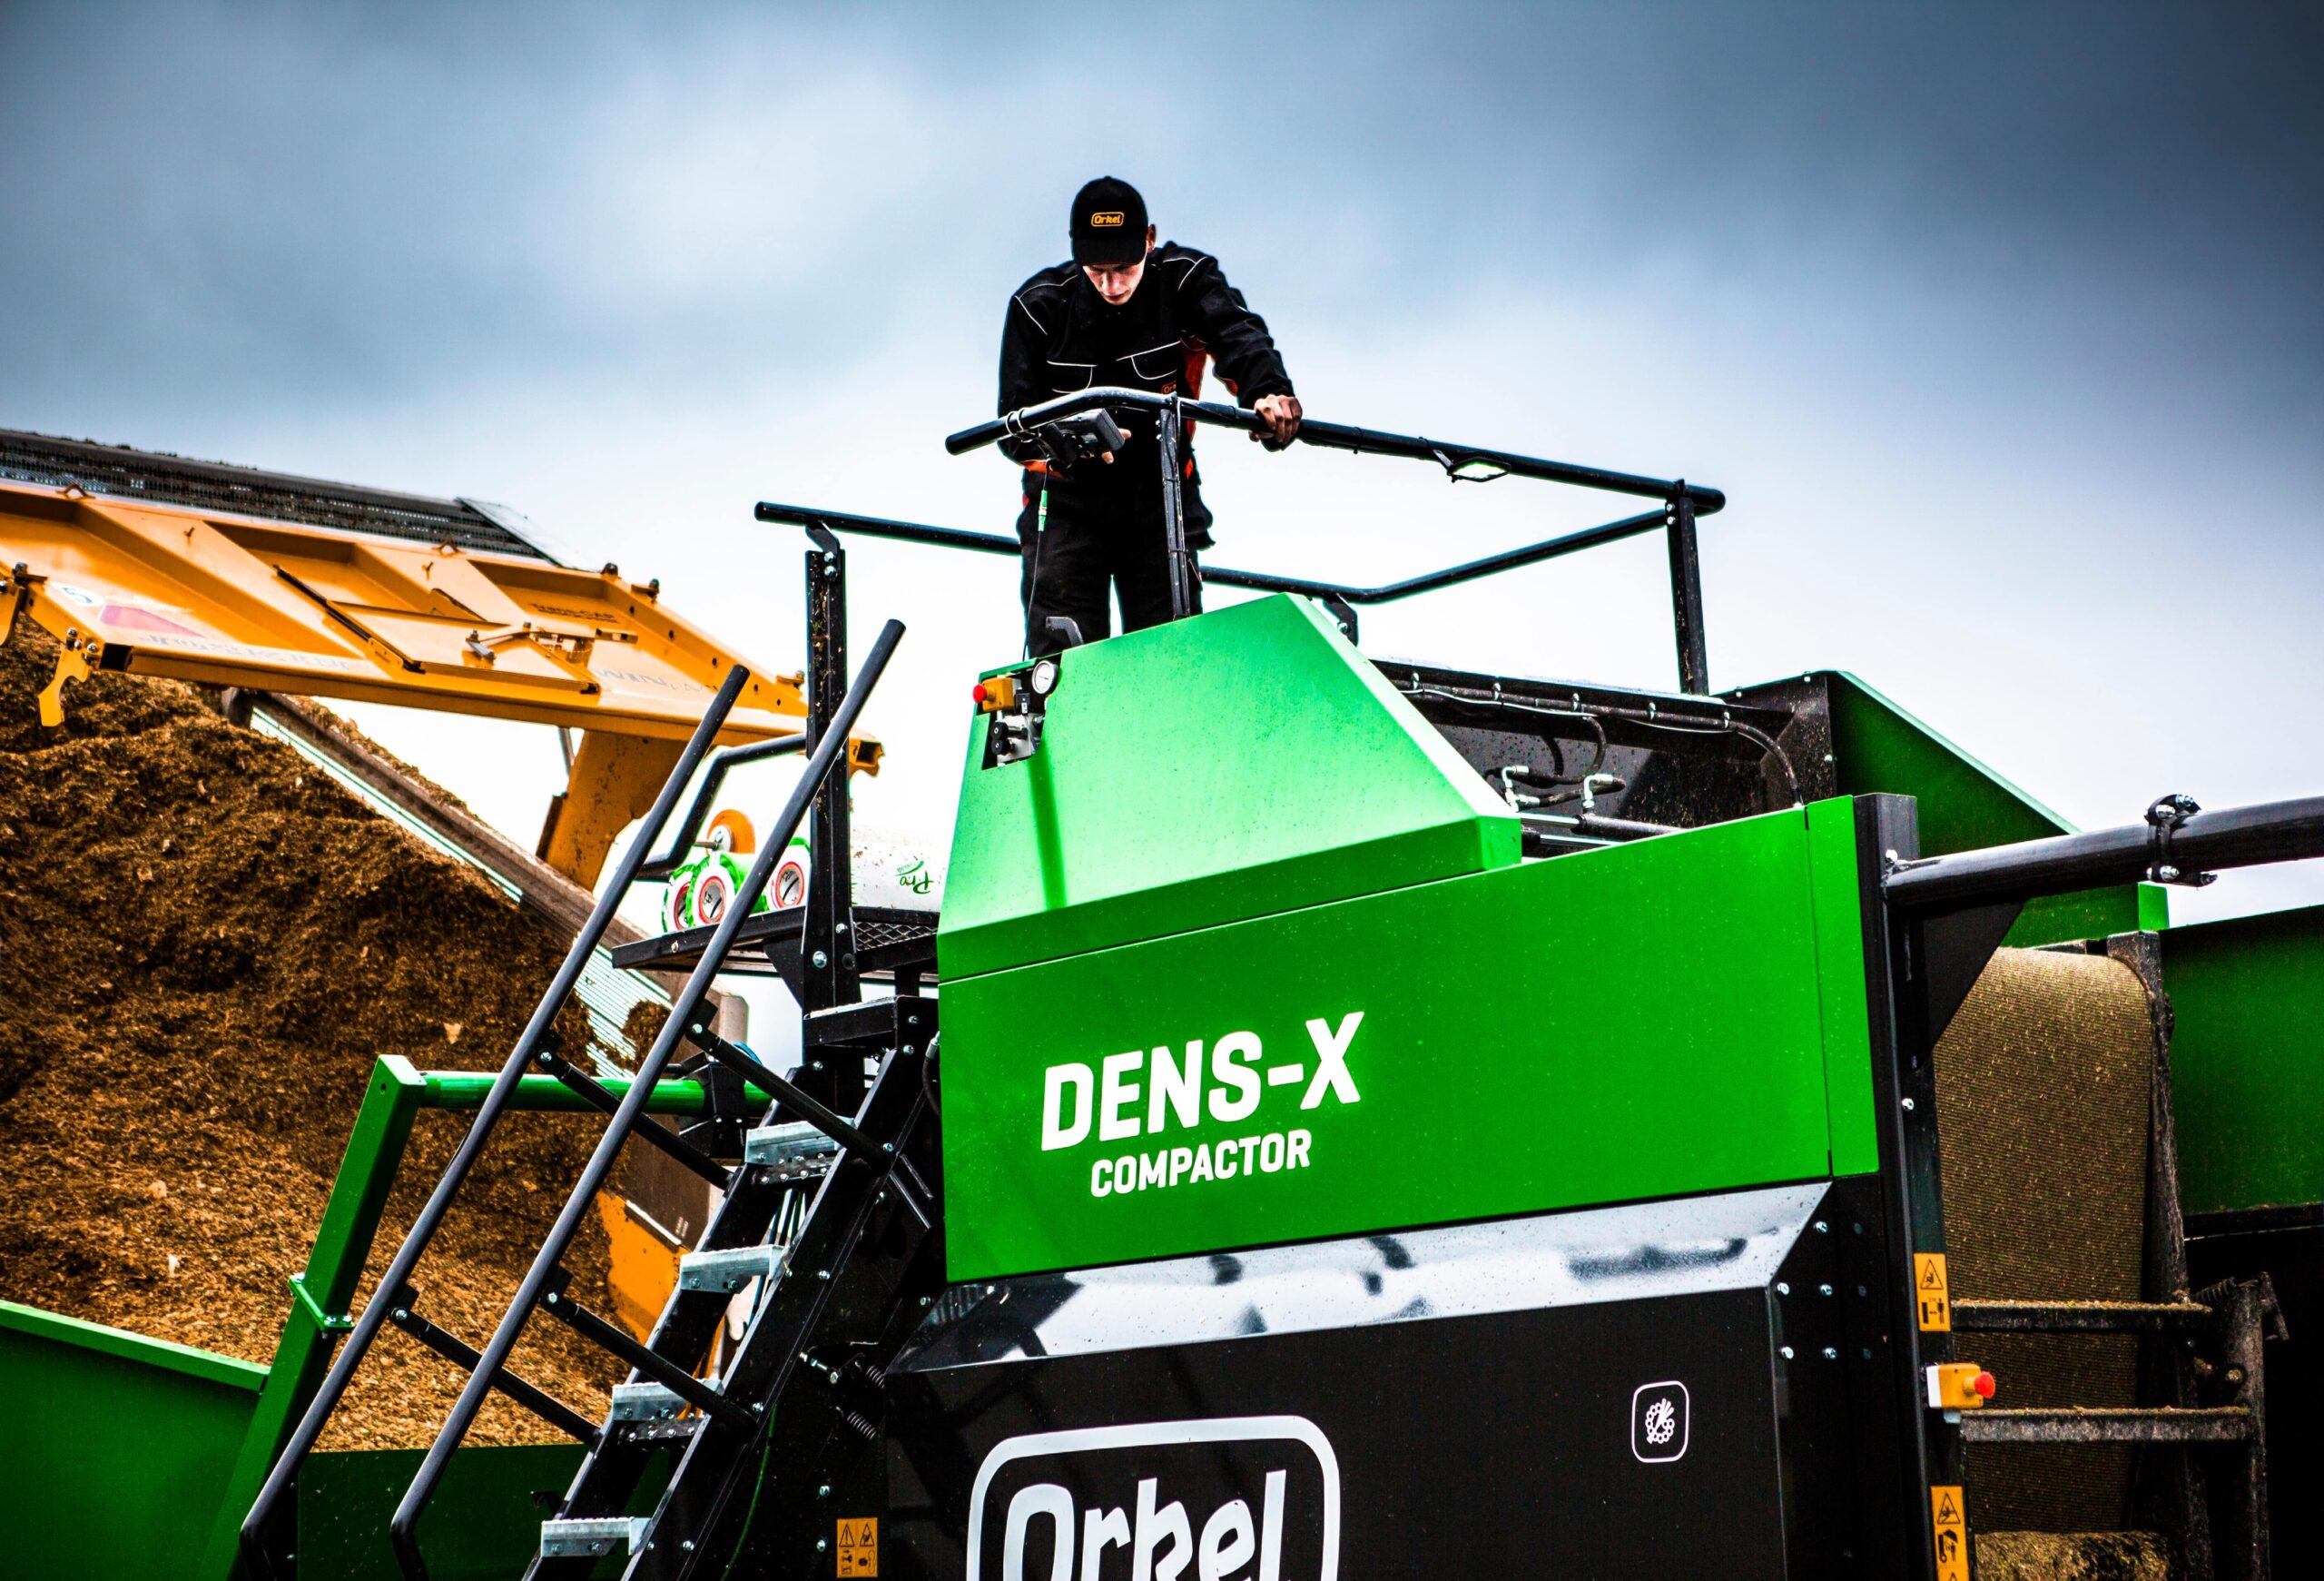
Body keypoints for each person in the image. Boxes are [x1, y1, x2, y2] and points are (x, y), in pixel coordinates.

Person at [999, 176, 1301, 655]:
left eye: (1124, 267)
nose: (1111, 284)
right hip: (1064, 508)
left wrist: (1268, 391)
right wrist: (1075, 440)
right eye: (1097, 270)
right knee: (1061, 664)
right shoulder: (1037, 308)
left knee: (1170, 659)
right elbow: (1011, 428)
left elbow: (1239, 337)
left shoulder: (1185, 281)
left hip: (1161, 500)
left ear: (1149, 239)